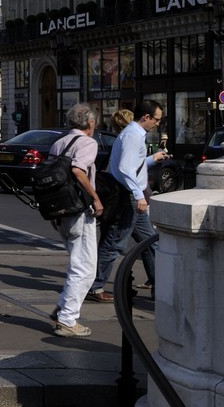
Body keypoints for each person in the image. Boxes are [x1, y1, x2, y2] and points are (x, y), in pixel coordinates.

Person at [93, 101, 168, 299]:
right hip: (128, 198)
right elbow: (126, 169)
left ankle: (159, 286)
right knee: (114, 244)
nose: (157, 124)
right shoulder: (133, 136)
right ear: (146, 117)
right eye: (157, 120)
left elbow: (132, 165)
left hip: (132, 197)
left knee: (150, 242)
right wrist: (138, 194)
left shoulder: (132, 134)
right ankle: (95, 286)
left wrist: (152, 159)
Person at [51, 103, 105, 337]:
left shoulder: (59, 143)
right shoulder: (87, 143)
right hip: (79, 210)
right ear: (90, 123)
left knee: (77, 262)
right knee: (85, 268)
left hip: (59, 210)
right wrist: (96, 198)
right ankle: (68, 318)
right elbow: (77, 169)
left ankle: (64, 307)